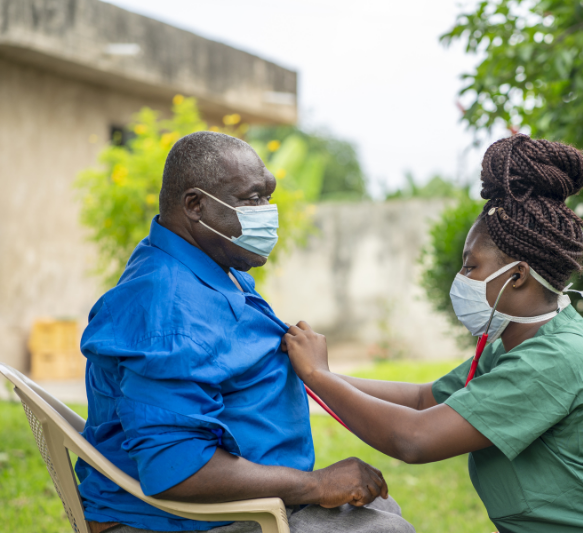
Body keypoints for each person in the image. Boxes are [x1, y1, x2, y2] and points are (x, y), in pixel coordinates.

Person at [283, 135, 583, 533]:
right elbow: (423, 400)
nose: (460, 278)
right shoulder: (514, 343)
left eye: (471, 266)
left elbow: (414, 438)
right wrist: (313, 376)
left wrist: (319, 377)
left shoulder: (554, 359)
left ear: (517, 276)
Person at [77, 131, 414, 533]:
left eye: (267, 197)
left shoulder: (210, 268)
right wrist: (317, 484)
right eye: (251, 199)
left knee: (382, 513)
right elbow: (177, 471)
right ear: (196, 206)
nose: (266, 212)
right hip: (177, 520)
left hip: (234, 505)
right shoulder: (169, 310)